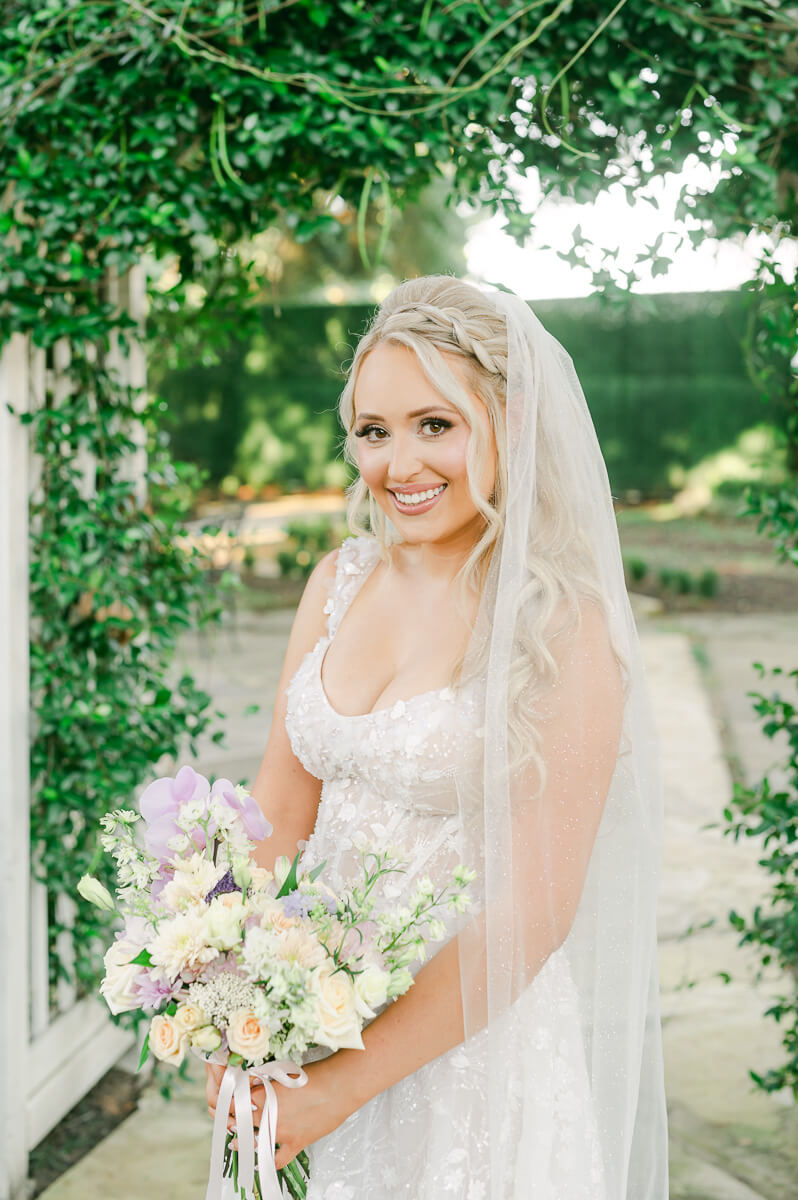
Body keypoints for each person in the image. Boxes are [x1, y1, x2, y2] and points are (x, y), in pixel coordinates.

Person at [207, 276, 669, 1199]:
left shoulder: (560, 629)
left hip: (467, 1064)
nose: (399, 464)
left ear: (510, 421)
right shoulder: (340, 579)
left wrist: (339, 1089)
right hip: (298, 1037)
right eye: (374, 432)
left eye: (436, 424)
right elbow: (279, 809)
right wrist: (223, 997)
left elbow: (534, 915)